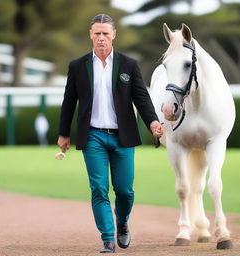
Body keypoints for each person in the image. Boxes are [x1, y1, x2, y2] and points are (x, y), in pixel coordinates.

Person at [57, 14, 163, 253]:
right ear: (90, 35)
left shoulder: (128, 65)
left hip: (122, 136)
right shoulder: (77, 66)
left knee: (125, 191)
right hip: (92, 136)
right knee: (99, 188)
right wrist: (64, 133)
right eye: (97, 33)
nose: (101, 38)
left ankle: (122, 222)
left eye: (106, 33)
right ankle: (107, 238)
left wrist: (153, 122)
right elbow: (68, 101)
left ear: (114, 34)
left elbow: (142, 98)